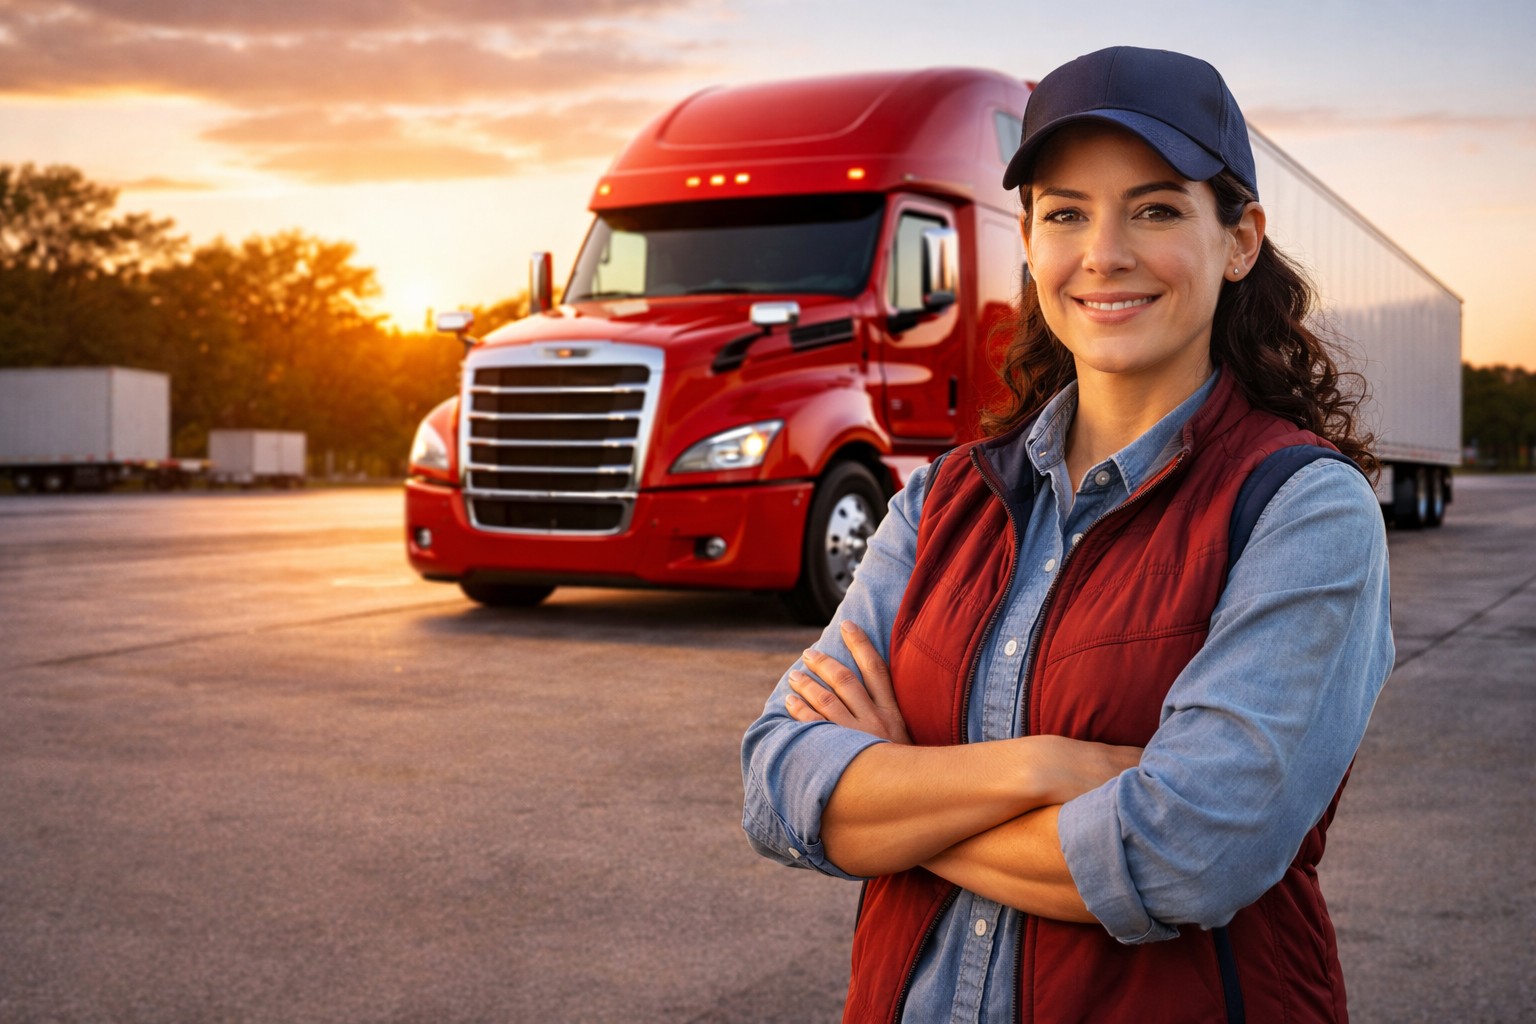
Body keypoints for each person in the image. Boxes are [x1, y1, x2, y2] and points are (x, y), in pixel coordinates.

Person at [740, 46, 1394, 1023]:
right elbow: (774, 779)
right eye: (1065, 213)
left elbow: (1183, 857)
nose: (1105, 253)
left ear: (1242, 238)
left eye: (1157, 208)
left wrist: (891, 800)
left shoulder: (1301, 510)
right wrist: (1040, 768)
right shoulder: (941, 499)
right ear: (1032, 239)